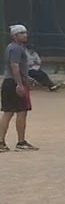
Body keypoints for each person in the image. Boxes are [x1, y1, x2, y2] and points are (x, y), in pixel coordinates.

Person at [1, 24, 39, 152]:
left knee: (8, 112)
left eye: (25, 32)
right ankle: (21, 142)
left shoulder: (12, 47)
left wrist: (27, 79)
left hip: (9, 82)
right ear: (14, 36)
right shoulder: (17, 48)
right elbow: (15, 67)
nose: (24, 35)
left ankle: (1, 142)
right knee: (21, 112)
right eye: (21, 33)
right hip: (13, 84)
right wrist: (20, 84)